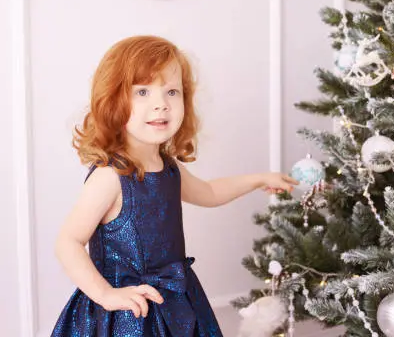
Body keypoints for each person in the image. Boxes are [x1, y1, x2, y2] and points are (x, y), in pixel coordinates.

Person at [51, 35, 298, 337]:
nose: (161, 105)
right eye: (142, 91)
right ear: (114, 101)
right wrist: (105, 295)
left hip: (175, 300)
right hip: (127, 311)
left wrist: (259, 178)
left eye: (172, 92)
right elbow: (68, 242)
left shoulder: (168, 167)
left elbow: (208, 192)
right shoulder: (110, 177)